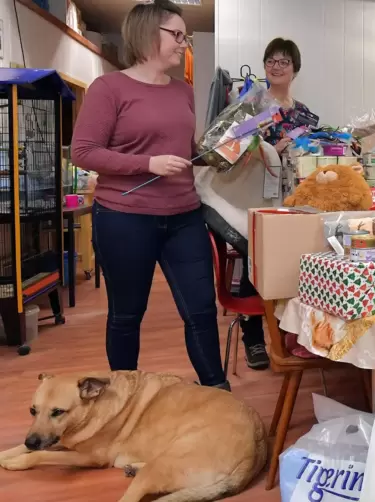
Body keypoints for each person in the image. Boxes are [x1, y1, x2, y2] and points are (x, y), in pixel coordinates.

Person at [71, 0, 230, 390]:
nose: (183, 44)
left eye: (185, 37)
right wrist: (148, 164)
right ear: (146, 35)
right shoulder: (109, 88)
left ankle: (217, 394)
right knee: (126, 316)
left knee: (202, 311)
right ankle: (123, 399)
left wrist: (219, 155)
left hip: (184, 216)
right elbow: (83, 152)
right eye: (176, 35)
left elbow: (184, 148)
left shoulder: (183, 91)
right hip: (125, 219)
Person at [237, 38, 314, 370]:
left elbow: (310, 155)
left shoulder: (304, 114)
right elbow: (233, 147)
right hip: (251, 194)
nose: (276, 66)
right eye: (271, 60)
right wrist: (271, 148)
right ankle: (252, 336)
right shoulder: (252, 105)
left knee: (290, 265)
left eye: (284, 61)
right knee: (252, 262)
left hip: (290, 199)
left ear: (295, 69)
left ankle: (287, 334)